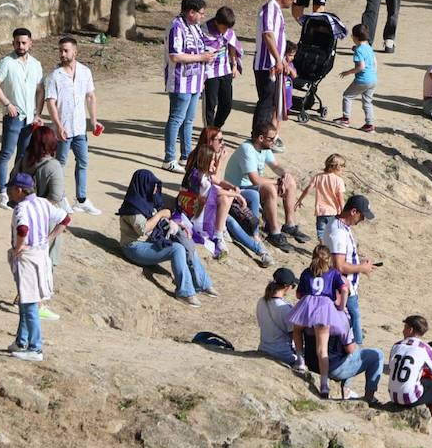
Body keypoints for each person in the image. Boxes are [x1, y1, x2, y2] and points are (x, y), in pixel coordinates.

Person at [117, 168, 215, 307]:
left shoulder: (146, 201)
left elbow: (164, 219)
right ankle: (185, 292)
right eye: (152, 186)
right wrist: (161, 214)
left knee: (184, 240)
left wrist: (178, 225)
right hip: (134, 247)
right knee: (176, 249)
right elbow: (143, 229)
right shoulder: (132, 208)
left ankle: (202, 283)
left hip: (150, 241)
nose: (155, 190)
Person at [6, 173, 70, 362]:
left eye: (11, 190)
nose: (9, 193)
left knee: (29, 304)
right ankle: (21, 341)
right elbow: (66, 219)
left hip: (27, 258)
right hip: (41, 256)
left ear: (19, 190)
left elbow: (23, 229)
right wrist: (49, 238)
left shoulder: (22, 208)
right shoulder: (43, 203)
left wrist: (18, 248)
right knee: (27, 301)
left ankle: (35, 348)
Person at [40, 36, 101, 214]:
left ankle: (81, 199)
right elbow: (50, 102)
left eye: (66, 50)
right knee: (60, 164)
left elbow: (91, 96)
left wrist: (94, 119)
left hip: (80, 127)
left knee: (83, 161)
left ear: (75, 51)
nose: (62, 54)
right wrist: (58, 126)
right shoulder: (54, 77)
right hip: (63, 128)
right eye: (60, 50)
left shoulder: (85, 72)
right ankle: (60, 197)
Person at [223, 119, 306, 248]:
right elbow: (254, 179)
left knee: (290, 182)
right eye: (271, 139)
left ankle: (290, 225)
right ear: (261, 138)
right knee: (270, 189)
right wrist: (277, 182)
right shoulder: (247, 149)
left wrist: (285, 175)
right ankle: (274, 232)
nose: (274, 142)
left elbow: (275, 166)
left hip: (251, 185)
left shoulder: (264, 147)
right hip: (237, 188)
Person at [176, 126, 250, 263]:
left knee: (231, 201)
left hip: (199, 200)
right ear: (210, 141)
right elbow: (213, 188)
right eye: (220, 140)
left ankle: (225, 231)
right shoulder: (201, 163)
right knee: (227, 202)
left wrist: (232, 187)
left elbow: (215, 180)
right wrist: (236, 194)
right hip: (194, 207)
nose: (223, 143)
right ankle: (219, 234)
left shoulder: (204, 160)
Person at [0, 27, 43, 201]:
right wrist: (7, 103)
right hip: (13, 116)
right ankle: (2, 193)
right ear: (13, 43)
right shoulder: (6, 62)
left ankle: (15, 189)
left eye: (24, 42)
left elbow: (40, 89)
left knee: (22, 156)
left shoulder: (36, 64)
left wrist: (38, 112)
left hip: (29, 118)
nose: (21, 45)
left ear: (30, 43)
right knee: (6, 153)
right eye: (18, 42)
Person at [163, 0, 215, 172]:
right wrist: (201, 57)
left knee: (189, 120)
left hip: (195, 81)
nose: (202, 16)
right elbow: (175, 55)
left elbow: (200, 47)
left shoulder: (195, 27)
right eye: (200, 13)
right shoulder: (176, 27)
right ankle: (169, 158)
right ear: (191, 12)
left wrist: (208, 55)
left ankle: (186, 156)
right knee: (176, 119)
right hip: (180, 81)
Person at [289, 246, 353, 384]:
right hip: (325, 307)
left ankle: (300, 359)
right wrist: (341, 307)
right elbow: (344, 290)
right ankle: (324, 384)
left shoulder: (307, 272)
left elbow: (299, 294)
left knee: (297, 329)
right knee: (322, 350)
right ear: (328, 259)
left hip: (308, 304)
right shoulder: (333, 273)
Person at [23, 125, 66, 320]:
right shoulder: (53, 166)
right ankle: (38, 304)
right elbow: (56, 197)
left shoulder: (24, 160)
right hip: (45, 221)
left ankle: (23, 296)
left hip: (24, 217)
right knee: (45, 261)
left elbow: (13, 185)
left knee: (26, 260)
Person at [387, 315, 432, 438]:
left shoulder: (396, 345)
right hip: (410, 397)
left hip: (393, 395)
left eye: (405, 327)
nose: (403, 330)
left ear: (411, 330)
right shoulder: (425, 348)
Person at [328, 194, 376, 344]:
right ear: (353, 211)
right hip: (344, 288)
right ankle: (357, 351)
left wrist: (360, 263)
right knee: (353, 321)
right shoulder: (338, 232)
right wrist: (362, 268)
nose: (362, 220)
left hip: (347, 287)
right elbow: (339, 265)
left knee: (352, 320)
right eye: (362, 216)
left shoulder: (341, 227)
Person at [252, 0, 298, 138]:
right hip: (266, 64)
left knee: (271, 103)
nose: (294, 1)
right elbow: (268, 35)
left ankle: (264, 136)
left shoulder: (276, 10)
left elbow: (277, 39)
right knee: (265, 103)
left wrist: (283, 61)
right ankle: (257, 137)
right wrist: (279, 60)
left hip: (274, 63)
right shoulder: (269, 8)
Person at [258, 267, 307, 371]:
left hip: (263, 348)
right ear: (286, 287)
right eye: (293, 286)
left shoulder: (261, 301)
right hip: (283, 355)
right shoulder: (286, 308)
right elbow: (294, 335)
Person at [201, 6, 242, 130]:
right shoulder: (204, 30)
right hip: (209, 73)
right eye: (223, 28)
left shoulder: (227, 29)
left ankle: (216, 128)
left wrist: (234, 64)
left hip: (225, 70)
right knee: (210, 105)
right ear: (217, 22)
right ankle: (209, 132)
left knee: (227, 104)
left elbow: (232, 45)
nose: (225, 31)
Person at [335, 24, 377, 133]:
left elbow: (361, 67)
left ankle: (345, 119)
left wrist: (347, 72)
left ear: (355, 37)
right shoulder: (368, 47)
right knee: (367, 102)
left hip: (363, 80)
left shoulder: (359, 51)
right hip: (373, 79)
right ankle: (370, 124)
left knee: (347, 96)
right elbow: (374, 62)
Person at [301, 153, 347, 242]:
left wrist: (300, 200)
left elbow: (308, 188)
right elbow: (340, 199)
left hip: (320, 212)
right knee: (334, 233)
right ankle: (331, 250)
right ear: (337, 167)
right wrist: (344, 212)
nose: (344, 169)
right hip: (333, 212)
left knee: (321, 232)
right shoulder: (339, 181)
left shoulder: (318, 177)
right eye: (343, 166)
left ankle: (323, 250)